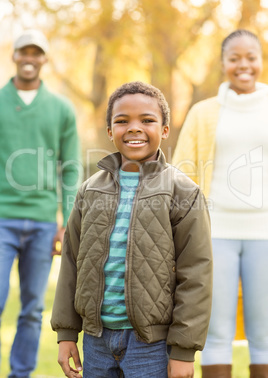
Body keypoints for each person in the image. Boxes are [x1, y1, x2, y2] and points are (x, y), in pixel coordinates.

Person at [51, 81, 212, 378]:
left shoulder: (183, 193)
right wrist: (66, 332)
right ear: (110, 131)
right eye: (122, 121)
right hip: (96, 340)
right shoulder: (89, 191)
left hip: (151, 344)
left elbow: (196, 274)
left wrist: (183, 351)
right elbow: (72, 263)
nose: (134, 128)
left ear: (164, 129)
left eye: (147, 120)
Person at [172, 29, 268, 378]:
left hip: (265, 235)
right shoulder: (203, 112)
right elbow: (181, 175)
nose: (243, 65)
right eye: (235, 58)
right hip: (215, 235)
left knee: (264, 334)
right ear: (224, 63)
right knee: (215, 332)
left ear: (261, 60)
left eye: (251, 57)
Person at [0, 29, 81, 378]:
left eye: (37, 52)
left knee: (33, 309)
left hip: (45, 222)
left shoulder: (61, 108)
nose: (29, 58)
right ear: (14, 56)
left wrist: (67, 220)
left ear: (44, 58)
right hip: (2, 218)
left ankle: (21, 374)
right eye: (23, 52)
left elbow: (72, 168)